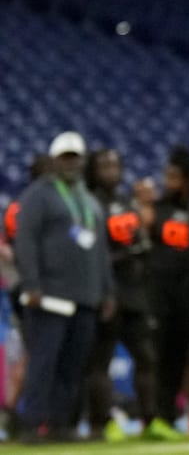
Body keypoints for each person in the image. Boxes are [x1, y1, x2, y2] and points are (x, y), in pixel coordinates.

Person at [13, 132, 113, 444]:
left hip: (86, 296)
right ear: (54, 160)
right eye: (65, 158)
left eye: (75, 158)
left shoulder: (89, 200)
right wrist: (32, 283)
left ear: (83, 162)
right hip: (49, 296)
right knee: (44, 362)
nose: (71, 163)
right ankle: (32, 425)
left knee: (73, 366)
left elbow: (101, 250)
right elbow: (25, 242)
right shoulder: (37, 196)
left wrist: (107, 290)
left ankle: (62, 424)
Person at [81, 149, 183, 442]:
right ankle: (102, 422)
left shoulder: (126, 202)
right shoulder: (89, 204)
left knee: (147, 357)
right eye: (104, 166)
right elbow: (90, 253)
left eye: (115, 165)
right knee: (101, 360)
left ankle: (150, 420)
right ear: (94, 170)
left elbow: (141, 243)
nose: (111, 171)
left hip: (133, 292)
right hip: (106, 292)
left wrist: (139, 252)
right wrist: (123, 257)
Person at [148, 146, 189, 432]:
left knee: (181, 357)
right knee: (159, 356)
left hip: (188, 295)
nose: (168, 182)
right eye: (167, 176)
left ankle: (174, 413)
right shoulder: (158, 208)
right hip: (159, 293)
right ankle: (157, 414)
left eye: (174, 176)